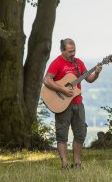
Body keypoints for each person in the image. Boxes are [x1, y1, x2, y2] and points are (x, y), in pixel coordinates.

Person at [43, 38, 102, 169]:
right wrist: (62, 89)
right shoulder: (57, 63)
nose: (73, 53)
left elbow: (89, 79)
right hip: (62, 104)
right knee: (62, 135)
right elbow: (46, 80)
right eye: (70, 51)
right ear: (62, 50)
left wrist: (96, 72)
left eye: (74, 50)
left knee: (80, 134)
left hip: (78, 103)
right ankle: (64, 164)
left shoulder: (78, 63)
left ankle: (77, 163)